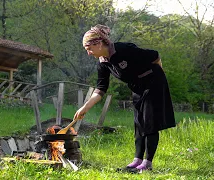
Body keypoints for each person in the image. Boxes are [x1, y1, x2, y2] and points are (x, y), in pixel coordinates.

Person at [73, 24, 176, 173]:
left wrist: (161, 76)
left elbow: (155, 55)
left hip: (153, 82)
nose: (88, 53)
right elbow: (101, 89)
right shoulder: (103, 63)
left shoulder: (124, 49)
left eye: (89, 49)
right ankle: (137, 160)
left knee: (149, 122)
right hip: (137, 86)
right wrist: (85, 107)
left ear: (99, 44)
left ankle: (147, 164)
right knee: (139, 123)